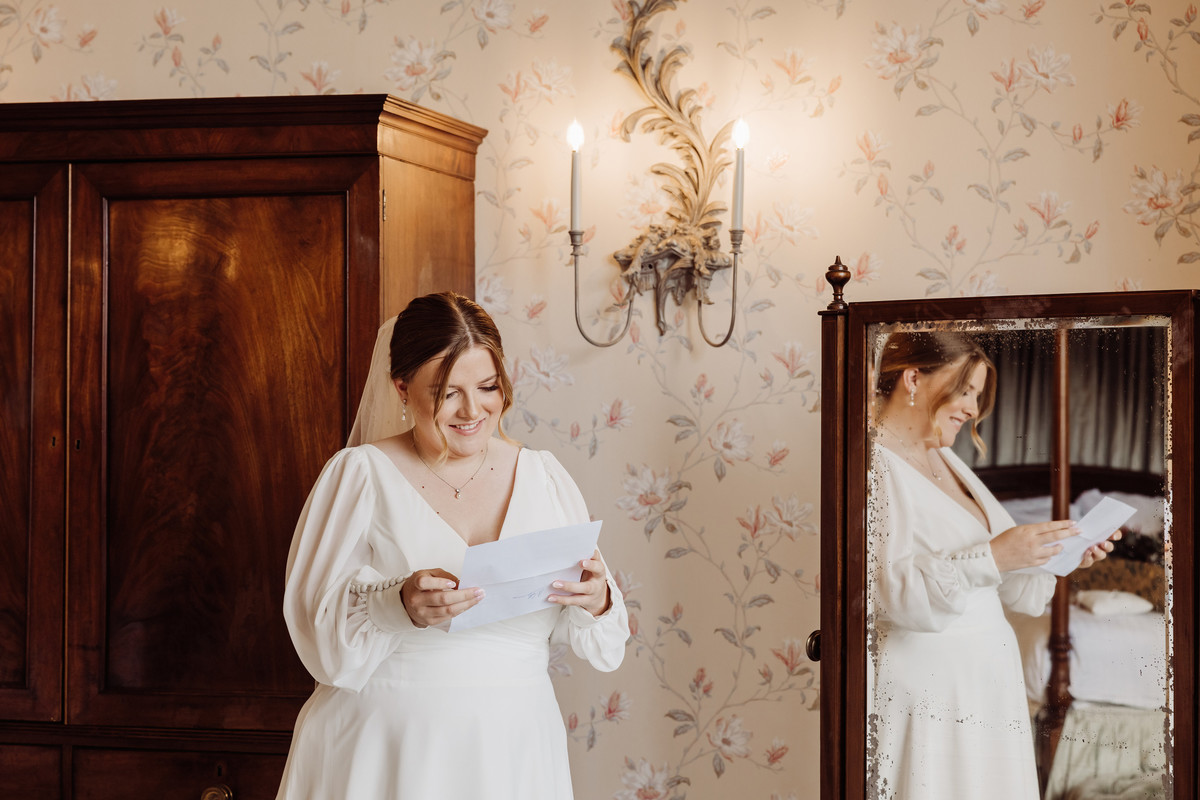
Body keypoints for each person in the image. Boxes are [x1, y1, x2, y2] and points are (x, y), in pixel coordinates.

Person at [275, 292, 629, 799]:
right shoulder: (359, 475)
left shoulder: (544, 476)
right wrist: (395, 604)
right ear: (401, 387)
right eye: (446, 392)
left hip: (514, 747)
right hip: (384, 747)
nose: (472, 410)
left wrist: (597, 600)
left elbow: (604, 640)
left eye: (487, 387)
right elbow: (317, 634)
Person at [866, 331, 1116, 800]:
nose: (973, 410)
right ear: (913, 378)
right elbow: (892, 593)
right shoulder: (872, 465)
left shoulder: (947, 460)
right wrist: (997, 554)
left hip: (987, 677)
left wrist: (1061, 555)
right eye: (965, 391)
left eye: (977, 396)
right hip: (929, 683)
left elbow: (1000, 582)